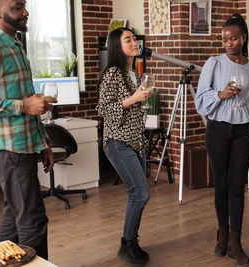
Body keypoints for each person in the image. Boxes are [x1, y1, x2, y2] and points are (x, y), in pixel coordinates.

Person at [0, 0, 56, 259]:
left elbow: (26, 100)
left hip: (21, 145)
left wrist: (43, 142)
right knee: (32, 221)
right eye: (18, 7)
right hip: (9, 149)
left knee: (13, 215)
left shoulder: (14, 44)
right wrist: (24, 106)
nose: (25, 12)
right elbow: (24, 105)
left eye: (25, 6)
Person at [195, 13, 249, 267]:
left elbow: (246, 98)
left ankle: (235, 241)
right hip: (218, 128)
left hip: (242, 129)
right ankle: (222, 233)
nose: (229, 43)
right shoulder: (214, 63)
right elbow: (201, 99)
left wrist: (236, 97)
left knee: (237, 187)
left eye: (234, 38)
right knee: (221, 184)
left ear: (243, 38)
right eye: (225, 39)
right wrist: (222, 94)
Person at [96, 27, 152, 266]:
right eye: (128, 39)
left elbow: (133, 107)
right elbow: (103, 110)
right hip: (117, 142)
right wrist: (133, 100)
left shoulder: (135, 74)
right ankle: (127, 243)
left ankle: (130, 242)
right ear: (118, 47)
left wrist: (140, 101)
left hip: (136, 141)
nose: (134, 42)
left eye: (134, 38)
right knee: (141, 193)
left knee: (136, 193)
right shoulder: (112, 74)